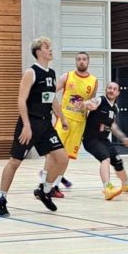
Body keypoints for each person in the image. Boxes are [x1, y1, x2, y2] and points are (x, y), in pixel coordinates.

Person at [0, 37, 68, 217]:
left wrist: (62, 117)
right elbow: (21, 100)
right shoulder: (31, 72)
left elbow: (51, 98)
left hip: (45, 125)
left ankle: (45, 191)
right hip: (30, 123)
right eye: (47, 47)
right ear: (38, 51)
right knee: (15, 162)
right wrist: (26, 125)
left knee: (62, 159)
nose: (50, 50)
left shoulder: (51, 73)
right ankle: (1, 198)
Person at [40, 51, 98, 196]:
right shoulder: (67, 76)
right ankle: (42, 184)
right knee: (53, 153)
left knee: (66, 157)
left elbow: (91, 101)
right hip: (64, 120)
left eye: (84, 59)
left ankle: (55, 186)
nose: (81, 61)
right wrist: (52, 110)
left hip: (80, 123)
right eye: (79, 59)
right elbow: (50, 93)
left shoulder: (93, 81)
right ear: (75, 61)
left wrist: (91, 105)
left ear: (88, 61)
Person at [82, 82, 128, 200]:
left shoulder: (115, 108)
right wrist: (87, 104)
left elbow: (113, 126)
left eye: (114, 89)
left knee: (118, 161)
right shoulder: (100, 100)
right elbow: (88, 103)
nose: (111, 90)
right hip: (91, 139)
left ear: (118, 93)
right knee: (105, 158)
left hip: (103, 140)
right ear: (106, 90)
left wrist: (123, 138)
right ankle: (107, 189)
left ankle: (126, 185)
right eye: (109, 88)